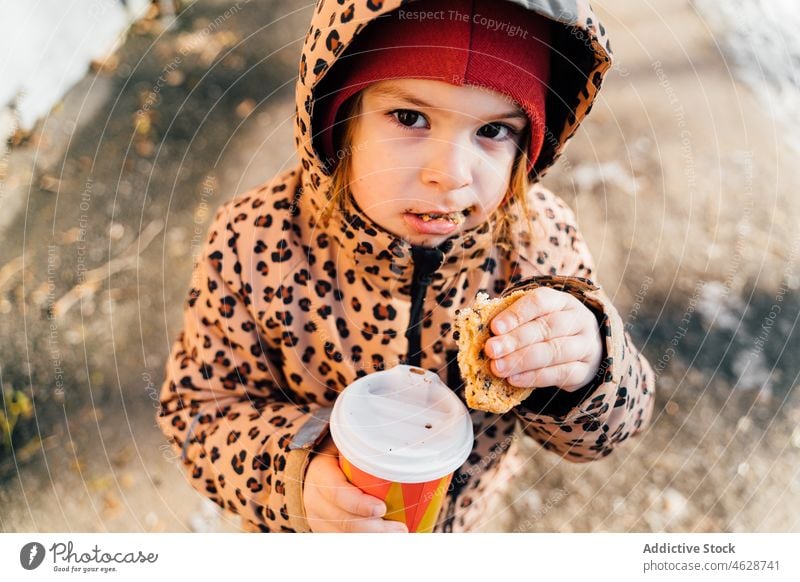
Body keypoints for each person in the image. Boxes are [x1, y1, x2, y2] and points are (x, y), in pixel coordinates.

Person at [157, 0, 656, 534]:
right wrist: (295, 480)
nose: (451, 174)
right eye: (410, 118)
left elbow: (614, 430)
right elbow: (197, 413)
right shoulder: (253, 242)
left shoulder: (538, 245)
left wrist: (586, 366)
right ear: (338, 118)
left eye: (493, 130)